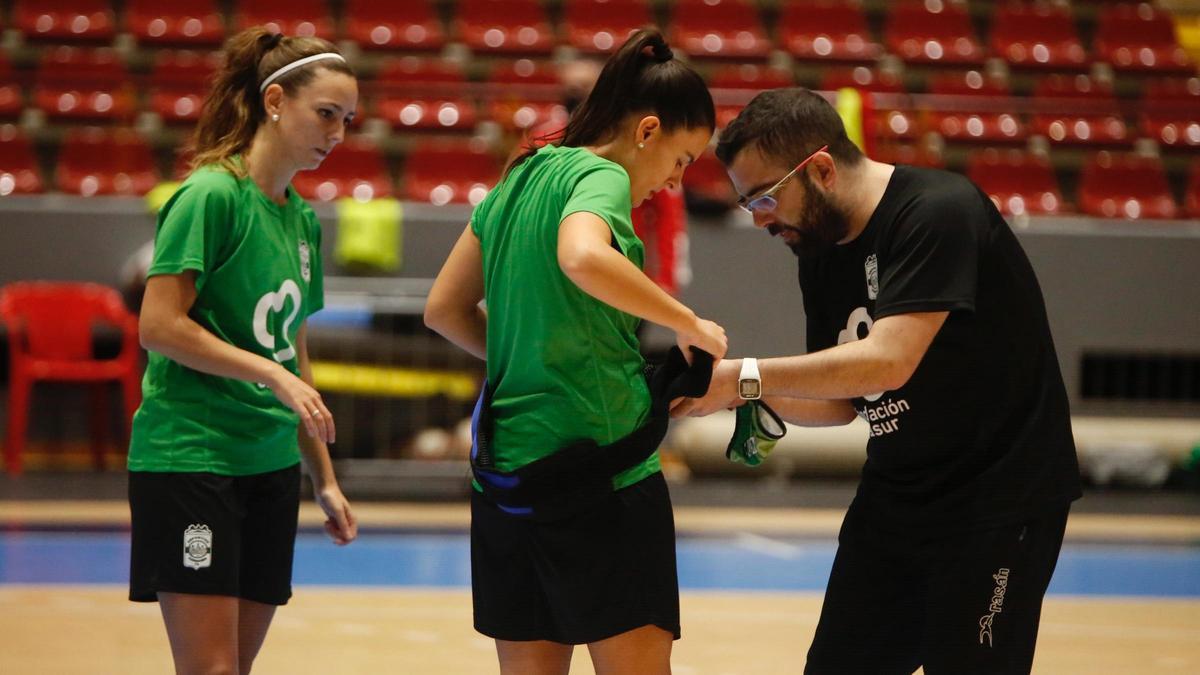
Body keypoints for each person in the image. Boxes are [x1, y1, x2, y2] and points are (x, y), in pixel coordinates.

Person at [673, 88, 1082, 674]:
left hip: (997, 502)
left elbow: (889, 360)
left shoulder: (937, 210)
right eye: (746, 204)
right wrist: (727, 392)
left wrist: (746, 376)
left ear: (819, 169)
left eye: (764, 197)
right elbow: (841, 401)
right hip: (898, 498)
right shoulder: (817, 246)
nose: (759, 218)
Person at [424, 29, 727, 675]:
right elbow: (582, 256)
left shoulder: (522, 172)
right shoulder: (599, 175)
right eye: (681, 159)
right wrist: (688, 322)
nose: (676, 182)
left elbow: (443, 309)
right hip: (603, 475)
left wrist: (522, 352)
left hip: (509, 475)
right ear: (647, 131)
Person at [128, 28, 359, 675]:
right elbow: (159, 325)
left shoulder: (302, 219)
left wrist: (326, 478)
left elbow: (294, 356)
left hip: (271, 465)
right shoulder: (211, 196)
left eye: (346, 120)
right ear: (275, 100)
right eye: (325, 114)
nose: (337, 134)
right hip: (194, 462)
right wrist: (270, 375)